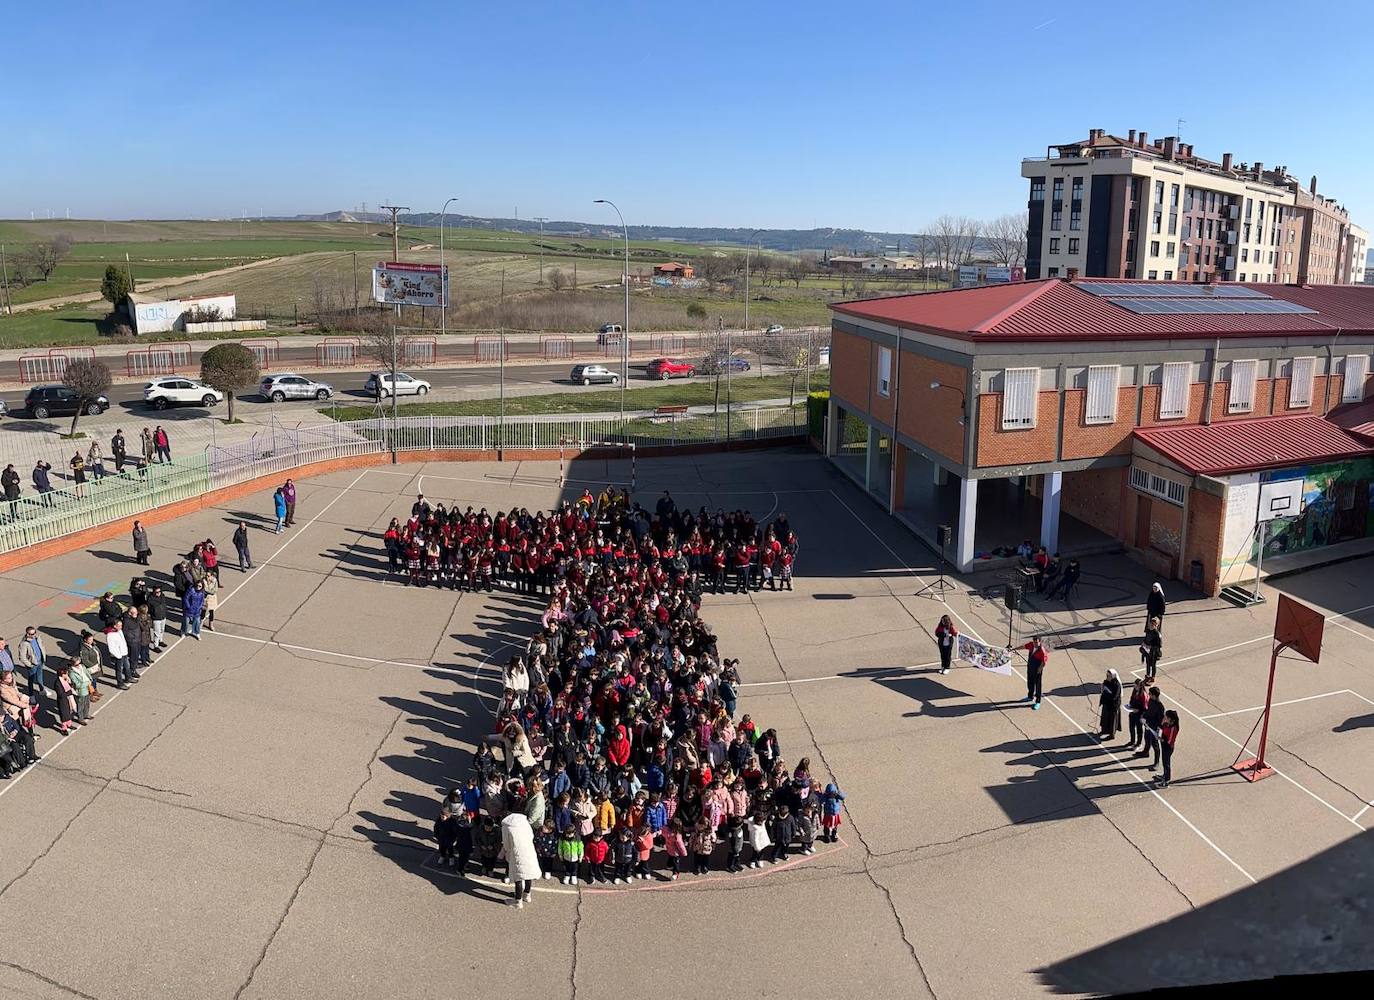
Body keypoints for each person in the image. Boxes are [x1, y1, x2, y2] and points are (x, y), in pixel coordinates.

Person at [17, 626, 47, 710]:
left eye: (34, 633)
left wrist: (43, 657)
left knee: (40, 675)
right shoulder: (24, 643)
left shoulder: (37, 638)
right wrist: (29, 664)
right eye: (31, 634)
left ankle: (42, 690)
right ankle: (31, 695)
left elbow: (42, 647)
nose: (34, 635)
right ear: (27, 634)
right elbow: (22, 657)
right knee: (31, 680)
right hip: (33, 664)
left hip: (40, 661)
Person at [1140, 686, 1165, 769]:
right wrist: (1143, 716)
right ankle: (1145, 752)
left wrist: (1157, 730)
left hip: (1154, 728)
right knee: (1146, 738)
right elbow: (1148, 711)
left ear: (1154, 695)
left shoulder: (1160, 707)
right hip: (1148, 725)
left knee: (1155, 745)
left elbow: (1160, 721)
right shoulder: (1150, 701)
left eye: (1150, 694)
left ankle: (1156, 762)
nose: (1148, 695)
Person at [1021, 636, 1049, 710]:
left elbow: (1044, 662)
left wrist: (1039, 670)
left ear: (1040, 642)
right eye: (1034, 642)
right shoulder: (1031, 645)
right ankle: (1030, 696)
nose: (1035, 644)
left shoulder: (1042, 650)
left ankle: (1038, 701)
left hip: (1037, 669)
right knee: (1030, 682)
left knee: (1038, 685)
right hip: (1030, 667)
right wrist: (1013, 649)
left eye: (1036, 642)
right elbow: (1023, 646)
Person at [105, 620, 132, 689]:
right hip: (119, 655)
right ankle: (120, 684)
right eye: (119, 625)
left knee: (127, 666)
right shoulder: (110, 635)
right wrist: (118, 656)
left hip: (124, 653)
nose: (121, 627)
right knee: (119, 670)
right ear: (114, 626)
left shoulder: (119, 631)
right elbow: (111, 648)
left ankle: (128, 677)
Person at [1097, 668, 1122, 740]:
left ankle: (1112, 734)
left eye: (1109, 676)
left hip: (1113, 705)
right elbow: (1103, 691)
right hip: (1106, 703)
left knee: (1112, 720)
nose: (1107, 677)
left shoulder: (1117, 685)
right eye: (1107, 675)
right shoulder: (1106, 682)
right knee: (1105, 718)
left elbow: (1115, 696)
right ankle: (1104, 730)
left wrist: (1108, 696)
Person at [1157, 710, 1180, 788]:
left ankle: (1166, 781)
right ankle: (1164, 775)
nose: (1164, 718)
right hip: (1164, 745)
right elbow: (1160, 728)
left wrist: (1161, 739)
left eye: (1166, 717)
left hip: (1168, 747)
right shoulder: (1166, 724)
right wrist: (1161, 724)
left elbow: (1170, 740)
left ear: (1171, 719)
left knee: (1166, 763)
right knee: (1164, 762)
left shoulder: (1174, 728)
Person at [1126, 678, 1148, 751]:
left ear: (1140, 686)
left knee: (1139, 729)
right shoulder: (1135, 691)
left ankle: (1138, 743)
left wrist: (1138, 710)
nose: (1135, 687)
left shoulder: (1143, 695)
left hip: (1139, 714)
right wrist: (1130, 705)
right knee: (1131, 727)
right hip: (1132, 712)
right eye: (1134, 686)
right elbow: (1131, 699)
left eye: (1136, 686)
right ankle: (1132, 741)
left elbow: (1145, 707)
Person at [1141, 617, 1163, 684]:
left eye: (1154, 624)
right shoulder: (1148, 631)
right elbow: (1146, 638)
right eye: (1151, 623)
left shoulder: (1157, 634)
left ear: (1157, 625)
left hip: (1154, 652)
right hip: (1148, 651)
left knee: (1153, 665)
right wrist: (1143, 643)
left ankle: (1153, 677)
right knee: (1147, 664)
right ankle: (1147, 676)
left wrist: (1150, 647)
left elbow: (1159, 645)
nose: (1152, 625)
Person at [146, 586, 168, 651]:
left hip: (163, 616)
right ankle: (156, 646)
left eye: (159, 592)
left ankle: (160, 641)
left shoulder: (162, 596)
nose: (158, 593)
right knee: (157, 632)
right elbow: (149, 609)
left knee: (162, 630)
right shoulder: (150, 599)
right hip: (156, 618)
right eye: (156, 592)